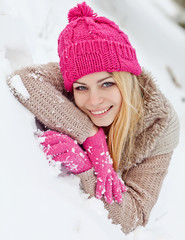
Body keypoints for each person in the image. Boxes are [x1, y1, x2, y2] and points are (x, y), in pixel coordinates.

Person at [7, 2, 179, 234]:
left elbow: (133, 217)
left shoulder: (159, 125)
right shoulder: (78, 70)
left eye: (107, 83)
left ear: (126, 80)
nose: (94, 100)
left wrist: (87, 169)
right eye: (81, 88)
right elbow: (23, 81)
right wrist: (90, 135)